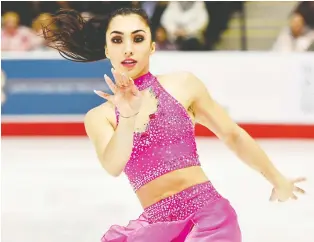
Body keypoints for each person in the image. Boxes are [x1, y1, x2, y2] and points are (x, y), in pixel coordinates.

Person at [43, 8, 306, 242]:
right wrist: (128, 117)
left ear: (152, 46)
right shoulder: (99, 116)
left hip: (210, 220)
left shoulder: (183, 85)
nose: (128, 48)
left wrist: (277, 179)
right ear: (106, 49)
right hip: (155, 228)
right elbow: (113, 166)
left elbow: (232, 134)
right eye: (117, 40)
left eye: (138, 38)